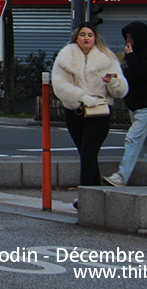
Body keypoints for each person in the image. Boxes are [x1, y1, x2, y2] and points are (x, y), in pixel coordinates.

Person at [51, 22, 129, 195]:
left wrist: (113, 82)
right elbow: (59, 84)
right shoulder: (65, 56)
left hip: (99, 112)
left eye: (90, 35)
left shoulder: (107, 58)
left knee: (88, 153)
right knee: (87, 155)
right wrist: (82, 97)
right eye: (83, 34)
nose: (86, 38)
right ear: (76, 37)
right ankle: (96, 195)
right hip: (75, 111)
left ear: (95, 38)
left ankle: (85, 197)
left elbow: (121, 90)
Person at [103, 22, 147, 187]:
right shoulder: (133, 56)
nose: (128, 41)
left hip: (146, 104)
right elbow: (129, 77)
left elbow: (141, 75)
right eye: (127, 37)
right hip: (135, 104)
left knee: (133, 138)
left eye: (131, 37)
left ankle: (122, 176)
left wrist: (130, 57)